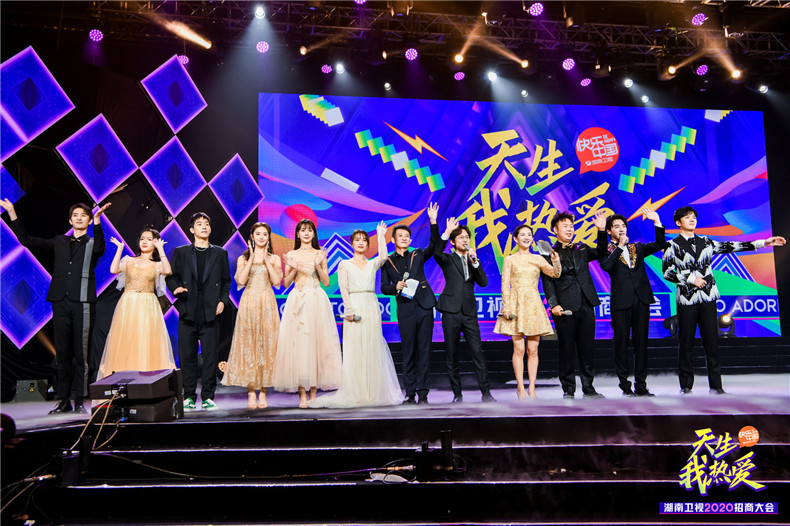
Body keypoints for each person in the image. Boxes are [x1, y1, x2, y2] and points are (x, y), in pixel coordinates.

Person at [1, 198, 110, 414]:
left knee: (81, 354)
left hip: (82, 301)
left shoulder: (92, 243)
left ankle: (80, 399)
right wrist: (12, 212)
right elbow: (26, 240)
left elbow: (100, 248)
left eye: (83, 216)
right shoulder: (60, 241)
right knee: (62, 352)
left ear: (88, 221)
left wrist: (98, 221)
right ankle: (64, 400)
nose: (79, 218)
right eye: (75, 215)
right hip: (60, 301)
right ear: (70, 221)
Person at [662, 206, 785, 395]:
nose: (692, 220)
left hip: (708, 298)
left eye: (694, 217)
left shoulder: (706, 241)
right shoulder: (672, 245)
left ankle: (716, 387)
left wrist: (764, 243)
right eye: (687, 217)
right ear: (678, 222)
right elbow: (667, 272)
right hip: (687, 300)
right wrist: (691, 279)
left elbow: (732, 246)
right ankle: (686, 386)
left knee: (712, 343)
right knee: (686, 344)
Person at [311, 222, 402, 408]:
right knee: (355, 349)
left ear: (368, 245)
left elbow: (383, 257)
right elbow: (343, 288)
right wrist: (349, 309)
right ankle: (357, 391)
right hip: (354, 305)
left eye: (364, 240)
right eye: (357, 240)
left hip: (370, 305)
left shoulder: (372, 264)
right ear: (352, 243)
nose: (360, 243)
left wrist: (381, 235)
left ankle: (372, 391)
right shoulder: (344, 264)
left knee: (371, 347)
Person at [272, 219, 342, 408]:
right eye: (303, 230)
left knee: (317, 344)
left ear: (314, 234)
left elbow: (326, 282)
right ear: (297, 234)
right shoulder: (291, 254)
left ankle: (313, 392)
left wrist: (318, 265)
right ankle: (302, 392)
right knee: (299, 345)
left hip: (317, 300)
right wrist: (294, 267)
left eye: (310, 230)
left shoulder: (320, 253)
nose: (306, 233)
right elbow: (286, 283)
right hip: (298, 301)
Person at [166, 212, 231, 411]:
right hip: (188, 309)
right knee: (187, 356)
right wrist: (175, 288)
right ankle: (189, 396)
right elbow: (171, 276)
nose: (203, 226)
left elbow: (226, 281)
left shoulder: (220, 253)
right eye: (199, 224)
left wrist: (223, 301)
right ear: (191, 229)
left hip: (211, 311)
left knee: (210, 356)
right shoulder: (181, 252)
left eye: (206, 223)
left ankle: (208, 396)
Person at [541, 210, 609, 399]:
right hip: (565, 307)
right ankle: (568, 389)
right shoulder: (549, 254)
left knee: (587, 349)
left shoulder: (582, 249)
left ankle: (589, 388)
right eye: (565, 226)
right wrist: (554, 304)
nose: (569, 229)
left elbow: (602, 252)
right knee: (566, 349)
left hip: (586, 304)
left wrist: (601, 231)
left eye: (571, 226)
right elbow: (548, 282)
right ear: (555, 230)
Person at [600, 206, 665, 397]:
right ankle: (625, 385)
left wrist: (657, 222)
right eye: (616, 226)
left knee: (641, 344)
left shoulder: (637, 247)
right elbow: (607, 266)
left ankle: (641, 385)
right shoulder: (606, 250)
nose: (621, 229)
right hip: (621, 302)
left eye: (623, 226)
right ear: (609, 230)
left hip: (641, 299)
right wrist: (619, 246)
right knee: (621, 344)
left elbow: (660, 244)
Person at [380, 203, 440, 404]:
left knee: (424, 351)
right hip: (405, 309)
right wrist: (395, 286)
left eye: (407, 236)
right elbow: (383, 287)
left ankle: (423, 394)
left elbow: (435, 245)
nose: (404, 238)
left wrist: (433, 222)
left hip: (423, 307)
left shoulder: (418, 254)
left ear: (410, 239)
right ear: (393, 240)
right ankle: (410, 394)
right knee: (408, 351)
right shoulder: (387, 262)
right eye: (400, 236)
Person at [98, 227, 176, 378]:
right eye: (142, 239)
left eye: (149, 239)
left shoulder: (157, 265)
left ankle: (146, 378)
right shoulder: (129, 260)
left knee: (145, 339)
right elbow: (114, 269)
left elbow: (167, 271)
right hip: (128, 303)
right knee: (126, 339)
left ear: (155, 243)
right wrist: (119, 249)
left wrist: (161, 249)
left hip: (148, 303)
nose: (144, 242)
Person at [495, 224, 561, 400]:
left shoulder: (538, 258)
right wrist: (506, 307)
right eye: (523, 234)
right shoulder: (509, 260)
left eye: (529, 235)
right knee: (519, 349)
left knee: (533, 349)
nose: (526, 237)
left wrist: (555, 260)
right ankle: (520, 388)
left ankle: (531, 388)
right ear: (516, 239)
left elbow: (555, 274)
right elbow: (505, 285)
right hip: (515, 303)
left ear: (532, 239)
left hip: (533, 304)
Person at [434, 217, 496, 403]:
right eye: (460, 237)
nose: (465, 240)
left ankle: (486, 394)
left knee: (478, 353)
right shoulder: (448, 259)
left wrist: (475, 262)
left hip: (469, 313)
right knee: (452, 355)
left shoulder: (472, 260)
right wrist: (447, 231)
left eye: (467, 237)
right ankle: (457, 394)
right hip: (451, 312)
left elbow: (483, 282)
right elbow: (437, 252)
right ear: (453, 242)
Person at [222, 223, 282, 409]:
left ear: (268, 238)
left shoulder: (274, 258)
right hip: (249, 303)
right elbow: (240, 281)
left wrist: (265, 260)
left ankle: (263, 391)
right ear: (252, 237)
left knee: (266, 346)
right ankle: (250, 391)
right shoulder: (243, 258)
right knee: (249, 345)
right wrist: (252, 258)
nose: (262, 237)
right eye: (258, 234)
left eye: (265, 234)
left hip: (267, 303)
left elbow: (277, 281)